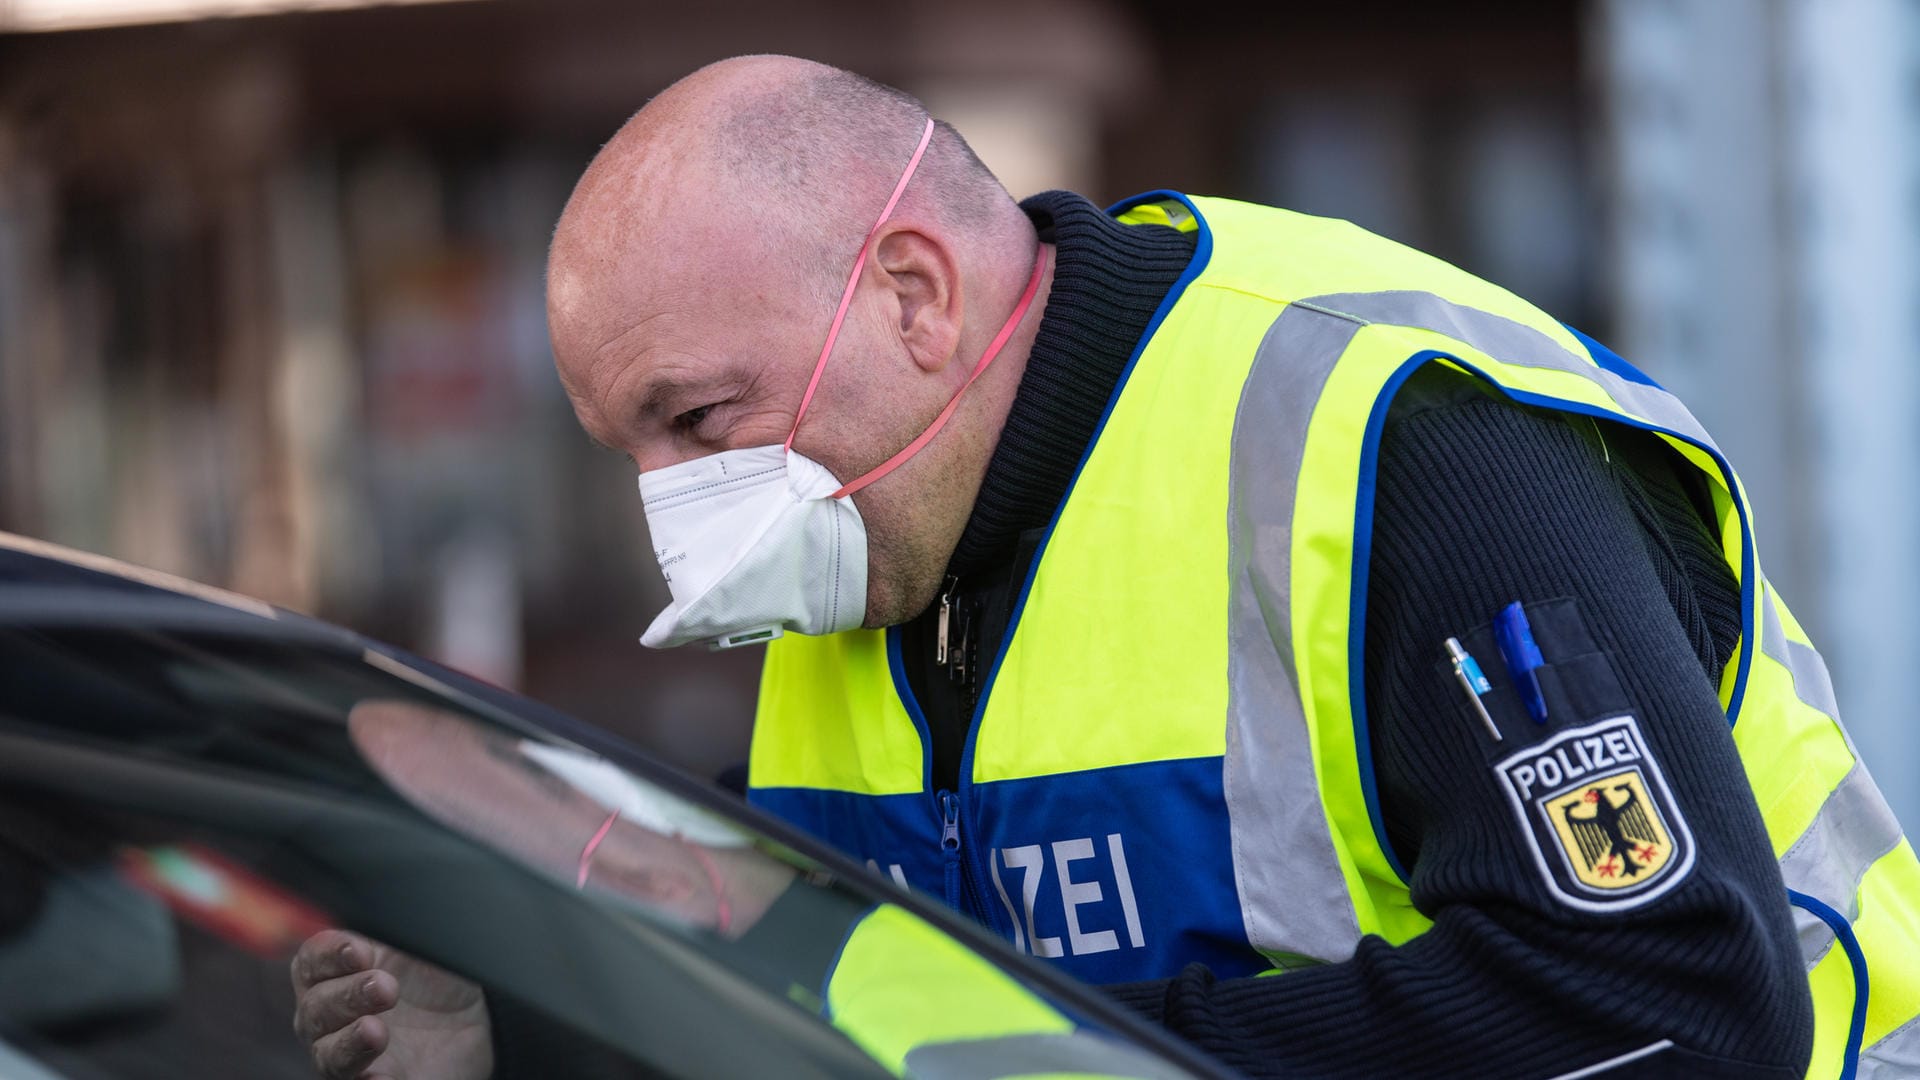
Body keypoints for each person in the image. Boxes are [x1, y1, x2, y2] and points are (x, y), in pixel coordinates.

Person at [294, 55, 1920, 1078]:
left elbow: (1683, 1005)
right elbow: (816, 1011)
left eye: (695, 417)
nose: (673, 505)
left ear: (917, 298)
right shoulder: (871, 545)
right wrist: (518, 1026)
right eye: (628, 447)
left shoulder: (1388, 444)